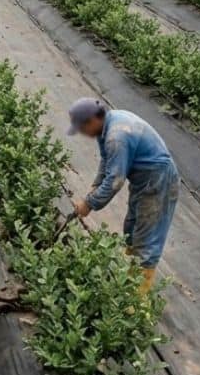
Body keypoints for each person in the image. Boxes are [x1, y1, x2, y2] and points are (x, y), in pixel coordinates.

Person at [67, 98, 179, 292]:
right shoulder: (108, 125)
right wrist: (95, 184)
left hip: (158, 181)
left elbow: (115, 181)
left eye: (82, 128)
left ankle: (136, 301)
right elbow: (106, 161)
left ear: (92, 120)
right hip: (144, 181)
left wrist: (89, 203)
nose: (83, 134)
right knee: (132, 227)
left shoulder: (116, 136)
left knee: (146, 237)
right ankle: (130, 275)